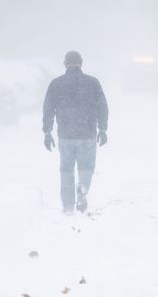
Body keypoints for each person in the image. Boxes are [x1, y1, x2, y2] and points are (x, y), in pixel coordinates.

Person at [42, 50, 109, 213]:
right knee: (86, 167)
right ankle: (83, 189)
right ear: (81, 63)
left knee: (66, 170)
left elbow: (48, 109)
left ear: (65, 64)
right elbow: (103, 107)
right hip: (87, 134)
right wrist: (103, 129)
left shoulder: (56, 84)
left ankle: (67, 206)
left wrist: (47, 132)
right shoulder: (92, 83)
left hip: (66, 135)